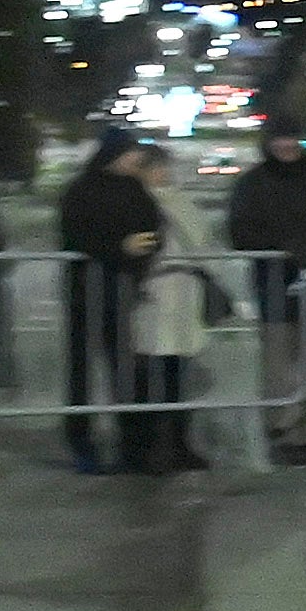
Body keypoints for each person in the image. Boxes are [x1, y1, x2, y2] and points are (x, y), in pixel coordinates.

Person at [226, 114, 306, 463]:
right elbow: (241, 233)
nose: (287, 145)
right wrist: (284, 248)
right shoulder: (253, 184)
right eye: (280, 138)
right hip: (276, 288)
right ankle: (281, 433)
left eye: (292, 137)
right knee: (278, 368)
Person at [58, 128, 160, 476]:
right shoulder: (81, 190)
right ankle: (81, 441)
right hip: (86, 291)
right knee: (82, 371)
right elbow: (76, 237)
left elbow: (152, 225)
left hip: (123, 290)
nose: (138, 159)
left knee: (125, 369)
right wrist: (120, 248)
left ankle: (133, 443)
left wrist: (148, 245)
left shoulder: (135, 189)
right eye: (132, 152)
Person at [125, 145, 219, 474]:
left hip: (182, 295)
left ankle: (179, 443)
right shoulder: (136, 202)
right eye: (155, 167)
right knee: (151, 375)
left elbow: (201, 240)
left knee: (178, 374)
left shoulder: (176, 199)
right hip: (154, 296)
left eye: (163, 166)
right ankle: (151, 447)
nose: (162, 173)